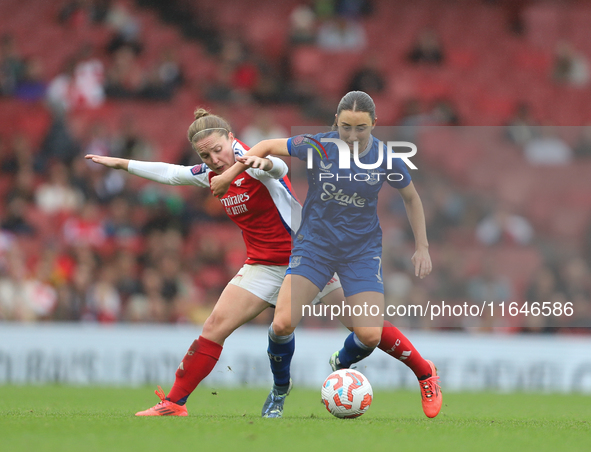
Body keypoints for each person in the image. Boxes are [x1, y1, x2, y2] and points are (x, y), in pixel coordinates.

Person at [211, 91, 442, 419]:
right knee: (282, 325)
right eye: (346, 126)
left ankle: (357, 364)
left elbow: (412, 198)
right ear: (336, 121)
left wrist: (423, 247)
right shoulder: (317, 145)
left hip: (360, 252)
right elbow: (262, 147)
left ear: (374, 124)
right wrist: (227, 175)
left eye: (361, 128)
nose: (352, 135)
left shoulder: (387, 158)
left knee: (369, 334)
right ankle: (279, 390)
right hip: (314, 246)